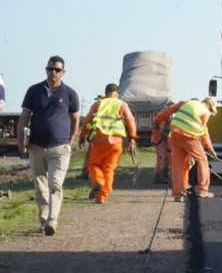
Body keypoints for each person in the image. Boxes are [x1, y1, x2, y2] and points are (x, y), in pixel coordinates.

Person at [17, 56, 80, 236]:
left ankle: (53, 220)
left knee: (55, 184)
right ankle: (44, 218)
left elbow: (75, 119)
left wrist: (71, 140)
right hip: (36, 146)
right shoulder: (34, 91)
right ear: (46, 70)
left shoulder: (70, 94)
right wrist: (21, 142)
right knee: (40, 185)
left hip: (60, 147)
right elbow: (23, 118)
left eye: (57, 70)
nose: (53, 72)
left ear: (63, 72)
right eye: (50, 69)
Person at [78, 83, 137, 204]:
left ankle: (98, 181)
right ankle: (102, 196)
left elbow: (87, 121)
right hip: (116, 144)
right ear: (116, 93)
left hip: (99, 141)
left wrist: (83, 136)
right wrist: (132, 139)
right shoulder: (122, 104)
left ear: (106, 92)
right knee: (109, 169)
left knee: (93, 165)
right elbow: (131, 122)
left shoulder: (98, 104)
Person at [154, 97, 217, 202]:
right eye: (211, 109)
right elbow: (204, 132)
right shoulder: (205, 111)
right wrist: (210, 149)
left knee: (177, 165)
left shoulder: (188, 103)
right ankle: (203, 190)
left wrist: (158, 120)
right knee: (202, 160)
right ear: (209, 105)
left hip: (174, 135)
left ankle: (177, 194)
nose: (210, 111)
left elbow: (171, 109)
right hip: (189, 137)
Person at [151, 99, 175, 184]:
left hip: (155, 139)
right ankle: (162, 176)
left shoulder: (162, 113)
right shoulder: (165, 115)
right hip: (160, 139)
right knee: (165, 157)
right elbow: (163, 130)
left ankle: (157, 177)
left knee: (159, 158)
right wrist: (168, 140)